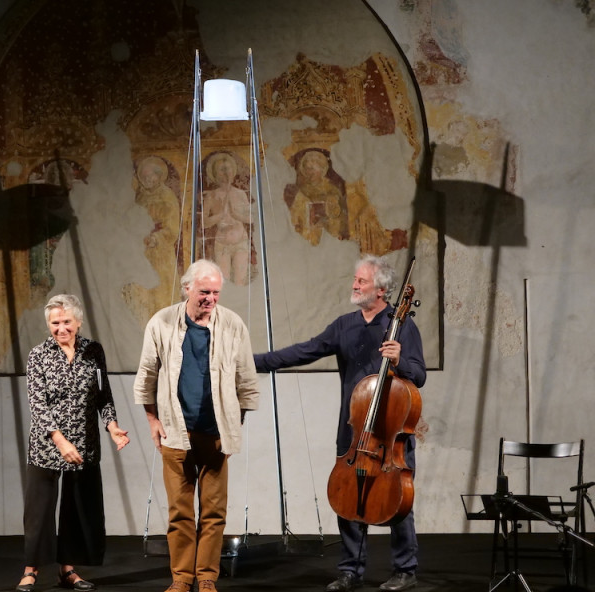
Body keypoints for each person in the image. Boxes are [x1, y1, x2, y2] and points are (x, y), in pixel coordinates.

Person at [254, 255, 426, 592]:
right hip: (352, 430)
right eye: (356, 279)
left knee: (397, 501)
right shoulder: (344, 325)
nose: (354, 285)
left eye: (360, 281)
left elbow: (418, 375)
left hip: (391, 434)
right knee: (348, 497)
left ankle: (405, 569)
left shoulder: (402, 324)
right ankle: (350, 570)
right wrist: (255, 362)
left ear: (381, 289)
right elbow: (304, 351)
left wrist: (399, 359)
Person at [134, 259, 259, 592]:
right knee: (179, 512)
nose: (211, 299)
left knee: (214, 512)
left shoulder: (233, 324)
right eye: (205, 291)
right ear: (187, 287)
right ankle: (181, 577)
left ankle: (206, 577)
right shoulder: (161, 323)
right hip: (175, 431)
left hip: (216, 434)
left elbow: (247, 379)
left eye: (216, 292)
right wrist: (152, 420)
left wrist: (236, 423)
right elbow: (146, 375)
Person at [17, 294, 130, 592]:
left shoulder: (94, 351)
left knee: (76, 509)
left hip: (85, 443)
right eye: (55, 323)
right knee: (39, 511)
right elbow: (37, 405)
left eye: (67, 321)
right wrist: (59, 440)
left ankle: (68, 570)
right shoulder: (38, 355)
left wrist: (112, 426)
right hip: (47, 445)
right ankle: (31, 570)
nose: (61, 328)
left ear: (78, 322)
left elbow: (103, 394)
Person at [202, 153, 253, 285]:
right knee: (223, 282)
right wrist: (219, 215)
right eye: (221, 170)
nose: (225, 174)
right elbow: (203, 223)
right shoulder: (212, 196)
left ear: (233, 172)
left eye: (228, 169)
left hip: (240, 241)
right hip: (222, 243)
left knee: (240, 280)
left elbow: (252, 218)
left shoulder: (240, 194)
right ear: (215, 174)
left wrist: (236, 216)